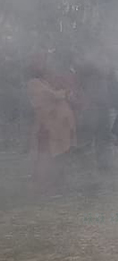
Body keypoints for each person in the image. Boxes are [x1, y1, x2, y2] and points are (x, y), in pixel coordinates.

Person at [25, 55, 76, 197]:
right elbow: (52, 95)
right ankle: (45, 188)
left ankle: (56, 185)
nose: (44, 67)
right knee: (46, 157)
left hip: (57, 128)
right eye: (40, 65)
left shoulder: (43, 81)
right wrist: (65, 93)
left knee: (57, 156)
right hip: (46, 127)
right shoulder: (34, 83)